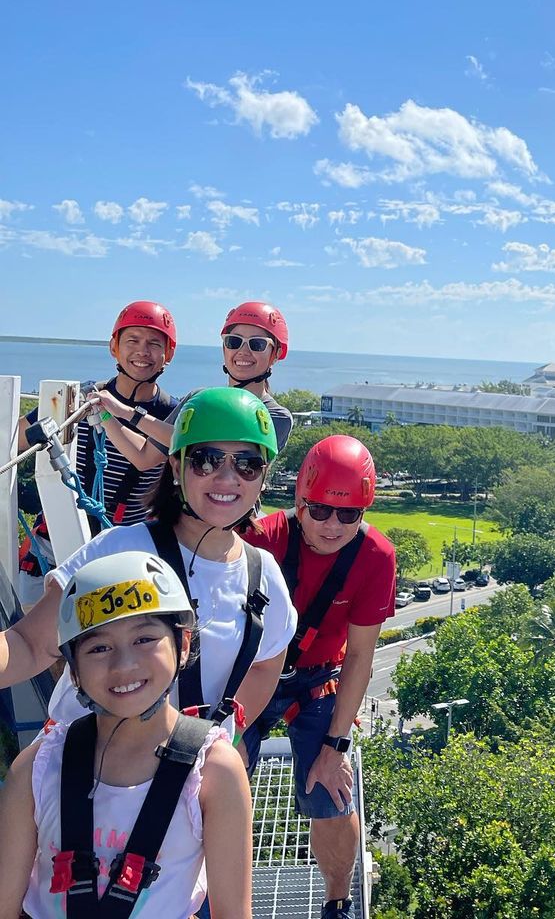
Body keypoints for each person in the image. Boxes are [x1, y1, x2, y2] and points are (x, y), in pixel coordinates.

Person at [0, 386, 297, 743]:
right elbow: (29, 645)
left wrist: (228, 735)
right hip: (80, 766)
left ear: (263, 477)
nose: (227, 478)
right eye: (206, 459)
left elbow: (266, 662)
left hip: (183, 775)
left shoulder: (262, 577)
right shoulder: (121, 549)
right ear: (176, 465)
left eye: (248, 464)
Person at [0, 550, 253, 919]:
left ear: (182, 645)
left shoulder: (214, 772)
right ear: (74, 671)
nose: (125, 664)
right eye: (99, 648)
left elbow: (233, 912)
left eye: (144, 639)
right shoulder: (39, 767)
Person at [242, 435, 396, 919]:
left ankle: (337, 900)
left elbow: (360, 658)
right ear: (299, 502)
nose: (333, 525)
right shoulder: (262, 539)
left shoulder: (374, 556)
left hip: (319, 677)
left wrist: (337, 746)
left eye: (348, 514)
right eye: (321, 510)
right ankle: (211, 895)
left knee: (328, 792)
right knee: (215, 782)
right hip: (252, 671)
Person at [17, 300, 180, 539]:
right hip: (55, 538)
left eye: (154, 343)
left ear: (168, 354)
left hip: (125, 544)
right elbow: (15, 439)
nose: (143, 351)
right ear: (114, 347)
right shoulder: (76, 398)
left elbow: (145, 458)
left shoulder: (170, 414)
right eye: (132, 340)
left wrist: (108, 413)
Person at [94, 301, 293, 470]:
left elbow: (206, 446)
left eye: (257, 344)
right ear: (224, 347)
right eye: (234, 341)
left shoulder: (274, 416)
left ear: (275, 354)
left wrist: (128, 412)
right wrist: (104, 412)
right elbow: (143, 457)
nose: (243, 351)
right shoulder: (198, 400)